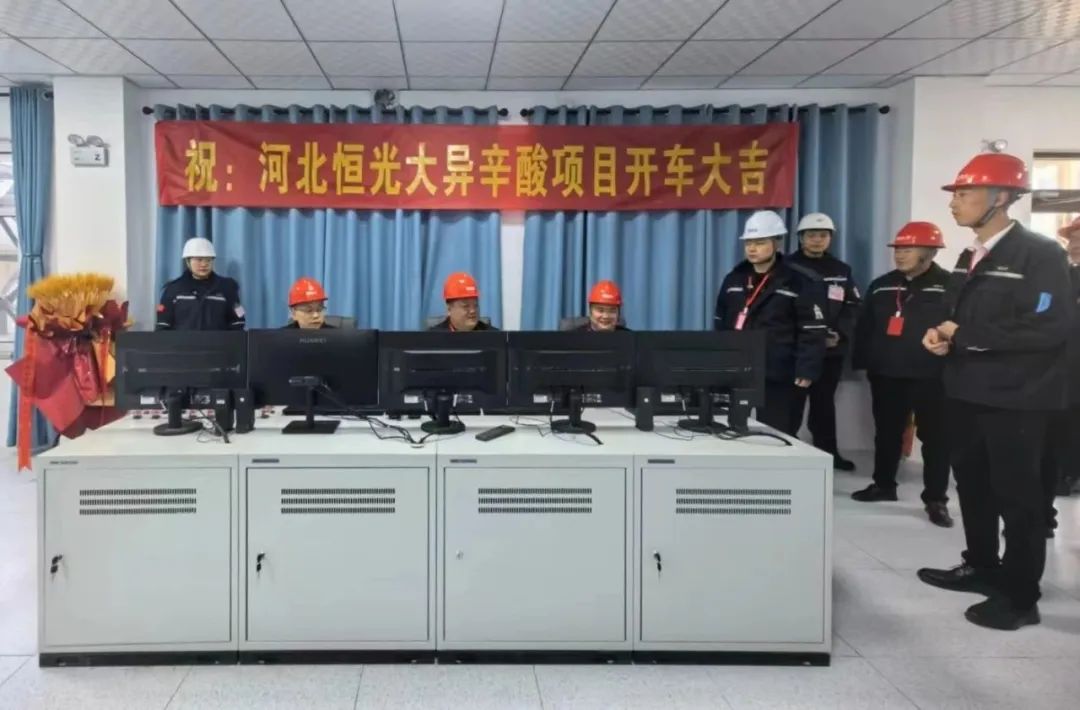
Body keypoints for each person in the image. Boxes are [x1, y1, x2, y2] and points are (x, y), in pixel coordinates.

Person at [917, 152, 1072, 631]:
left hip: (1016, 398)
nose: (954, 203)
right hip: (966, 391)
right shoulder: (970, 255)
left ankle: (1021, 595)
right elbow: (955, 314)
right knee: (974, 486)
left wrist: (964, 336)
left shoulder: (1039, 254)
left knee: (1018, 497)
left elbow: (1048, 327)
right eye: (956, 194)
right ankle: (982, 566)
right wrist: (940, 336)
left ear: (1001, 197)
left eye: (965, 194)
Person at [851, 222, 953, 528]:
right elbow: (865, 326)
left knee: (936, 438)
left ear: (930, 252)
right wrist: (864, 362)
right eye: (898, 249)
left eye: (908, 249)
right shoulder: (881, 285)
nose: (900, 255)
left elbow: (959, 329)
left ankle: (935, 499)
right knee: (887, 432)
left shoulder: (950, 286)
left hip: (932, 376)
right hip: (886, 374)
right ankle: (883, 484)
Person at [715, 210, 827, 435]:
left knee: (778, 432)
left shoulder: (799, 280)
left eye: (759, 242)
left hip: (779, 371)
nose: (752, 248)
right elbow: (721, 322)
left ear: (776, 243)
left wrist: (806, 369)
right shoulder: (734, 278)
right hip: (739, 369)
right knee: (731, 431)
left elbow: (812, 330)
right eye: (748, 243)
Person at [788, 213, 861, 471]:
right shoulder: (786, 267)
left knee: (824, 404)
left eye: (823, 235)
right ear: (800, 238)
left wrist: (839, 333)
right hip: (798, 350)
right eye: (811, 235)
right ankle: (789, 452)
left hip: (831, 350)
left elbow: (852, 306)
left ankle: (828, 452)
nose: (817, 240)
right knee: (791, 405)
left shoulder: (841, 270)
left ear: (830, 238)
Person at [1040, 217, 1080, 529]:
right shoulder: (1059, 277)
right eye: (1073, 237)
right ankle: (1043, 515)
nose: (1075, 243)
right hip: (1057, 377)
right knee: (1049, 448)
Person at [156, 237, 245, 331]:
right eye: (199, 260)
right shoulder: (172, 289)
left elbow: (238, 319)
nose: (204, 264)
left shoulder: (227, 287)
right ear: (188, 261)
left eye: (208, 260)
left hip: (217, 340)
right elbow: (163, 324)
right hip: (183, 341)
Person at [429, 272, 498, 331]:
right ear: (449, 309)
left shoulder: (494, 336)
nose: (473, 311)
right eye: (466, 306)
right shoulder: (432, 337)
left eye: (476, 305)